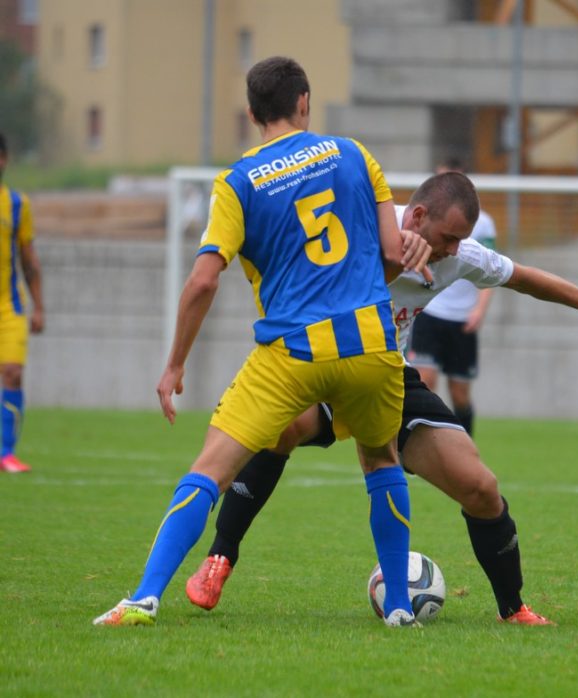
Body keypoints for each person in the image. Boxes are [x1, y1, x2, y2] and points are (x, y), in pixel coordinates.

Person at [183, 170, 578, 625]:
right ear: (418, 214)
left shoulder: (458, 255)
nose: (452, 249)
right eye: (447, 237)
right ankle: (220, 557)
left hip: (387, 376)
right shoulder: (361, 224)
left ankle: (514, 608)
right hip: (325, 360)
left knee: (481, 488)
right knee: (281, 430)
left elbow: (523, 278)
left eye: (459, 241)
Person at [93, 56, 432, 628]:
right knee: (381, 461)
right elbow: (396, 253)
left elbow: (204, 278)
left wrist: (175, 363)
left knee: (212, 467)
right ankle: (399, 606)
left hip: (292, 354)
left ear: (252, 113)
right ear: (304, 102)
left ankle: (145, 597)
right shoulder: (354, 154)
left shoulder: (237, 182)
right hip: (373, 344)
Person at [408, 157, 497, 436]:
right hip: (429, 312)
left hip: (462, 318)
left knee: (460, 394)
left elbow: (494, 270)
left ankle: (464, 442)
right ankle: (422, 443)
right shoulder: (416, 224)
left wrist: (479, 311)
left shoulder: (482, 224)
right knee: (425, 381)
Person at [0, 133, 44, 474]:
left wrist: (39, 307)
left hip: (9, 306)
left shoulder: (17, 204)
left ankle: (6, 453)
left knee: (12, 373)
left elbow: (29, 260)